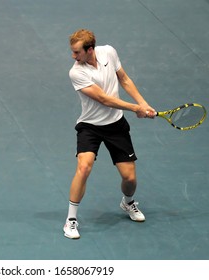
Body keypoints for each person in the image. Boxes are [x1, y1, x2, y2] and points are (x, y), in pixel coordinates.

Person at [63, 29, 156, 239]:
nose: (73, 57)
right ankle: (70, 221)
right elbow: (104, 99)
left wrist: (143, 103)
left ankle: (128, 202)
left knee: (129, 178)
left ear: (90, 50)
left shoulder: (109, 52)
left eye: (77, 52)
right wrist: (135, 109)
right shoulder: (76, 72)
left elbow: (123, 79)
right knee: (84, 167)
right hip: (90, 126)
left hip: (115, 125)